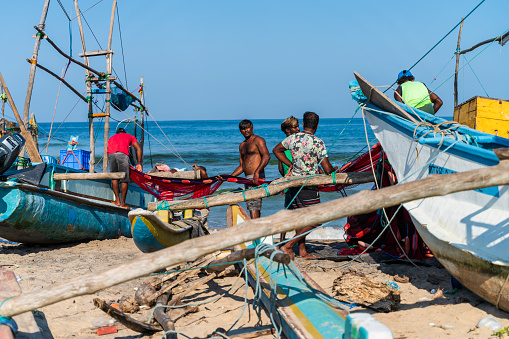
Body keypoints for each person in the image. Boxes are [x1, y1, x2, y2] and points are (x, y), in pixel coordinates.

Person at [273, 112, 337, 259]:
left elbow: (276, 150)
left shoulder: (292, 138)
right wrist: (334, 170)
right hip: (308, 185)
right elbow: (327, 169)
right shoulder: (318, 142)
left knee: (301, 219)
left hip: (294, 182)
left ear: (302, 123)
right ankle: (288, 245)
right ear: (318, 125)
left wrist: (290, 165)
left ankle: (302, 252)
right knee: (318, 218)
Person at [231, 119, 270, 219]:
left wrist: (257, 172)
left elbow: (266, 156)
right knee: (252, 206)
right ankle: (258, 230)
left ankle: (254, 230)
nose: (246, 130)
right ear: (240, 131)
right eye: (243, 129)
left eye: (248, 128)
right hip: (247, 179)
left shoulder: (258, 140)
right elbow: (242, 166)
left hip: (257, 178)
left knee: (254, 206)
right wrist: (229, 177)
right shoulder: (242, 146)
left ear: (252, 128)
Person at [107, 128, 142, 209]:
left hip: (110, 154)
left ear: (117, 133)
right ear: (125, 133)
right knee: (124, 178)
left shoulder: (112, 137)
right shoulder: (130, 136)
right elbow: (138, 149)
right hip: (122, 155)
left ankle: (117, 201)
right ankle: (123, 203)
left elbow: (108, 149)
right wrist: (139, 163)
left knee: (114, 177)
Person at [278, 116, 300, 241]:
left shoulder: (282, 145)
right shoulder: (294, 144)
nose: (298, 129)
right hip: (295, 182)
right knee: (297, 213)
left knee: (288, 212)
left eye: (298, 126)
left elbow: (280, 168)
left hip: (288, 182)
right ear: (287, 130)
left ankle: (282, 241)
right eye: (295, 127)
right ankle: (296, 242)